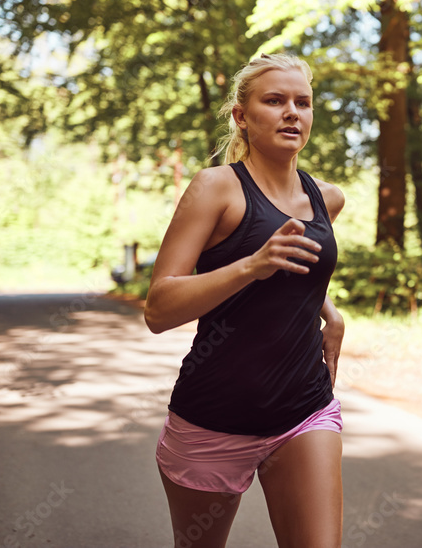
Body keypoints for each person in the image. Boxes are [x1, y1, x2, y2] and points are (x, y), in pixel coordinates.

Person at [144, 53, 346, 548]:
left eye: (303, 102)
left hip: (304, 407)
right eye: (274, 101)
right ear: (241, 115)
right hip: (213, 416)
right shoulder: (216, 188)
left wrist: (329, 311)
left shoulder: (328, 198)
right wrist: (252, 264)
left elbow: (296, 272)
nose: (291, 112)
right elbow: (159, 308)